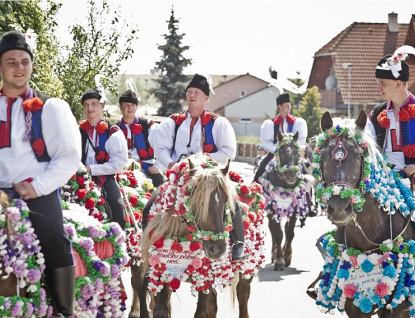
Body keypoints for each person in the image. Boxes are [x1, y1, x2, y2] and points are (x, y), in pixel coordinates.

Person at [0, 31, 81, 318]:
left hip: (37, 192)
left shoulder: (49, 107)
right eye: (11, 62)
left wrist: (38, 187)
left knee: (52, 238)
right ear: (0, 68)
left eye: (24, 61)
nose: (19, 67)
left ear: (32, 66)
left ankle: (64, 310)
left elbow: (69, 157)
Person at [151, 74, 245, 260]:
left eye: (197, 92)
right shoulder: (173, 122)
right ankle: (148, 246)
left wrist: (203, 161)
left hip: (210, 177)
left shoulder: (218, 123)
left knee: (231, 200)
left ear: (206, 97)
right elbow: (160, 148)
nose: (192, 95)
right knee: (154, 201)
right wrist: (172, 164)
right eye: (189, 92)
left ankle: (238, 243)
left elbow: (228, 152)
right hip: (179, 176)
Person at [79, 88, 128, 229]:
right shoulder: (78, 131)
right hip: (79, 177)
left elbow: (118, 164)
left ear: (102, 106)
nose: (90, 108)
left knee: (117, 209)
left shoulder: (113, 132)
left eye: (94, 104)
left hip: (104, 177)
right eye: (86, 104)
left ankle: (121, 239)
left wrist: (91, 169)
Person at [366, 46, 415, 179]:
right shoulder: (377, 113)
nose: (378, 87)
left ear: (398, 84)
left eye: (383, 83)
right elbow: (366, 148)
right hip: (384, 185)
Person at [253, 92, 308, 183]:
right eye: (286, 105)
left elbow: (301, 140)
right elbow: (267, 142)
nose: (289, 108)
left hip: (292, 155)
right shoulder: (270, 123)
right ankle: (254, 191)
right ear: (280, 107)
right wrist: (277, 150)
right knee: (259, 174)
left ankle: (308, 194)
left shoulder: (297, 122)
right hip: (274, 154)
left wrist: (290, 150)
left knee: (306, 176)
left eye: (290, 105)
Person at [117, 89, 164, 187]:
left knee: (161, 183)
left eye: (132, 105)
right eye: (126, 105)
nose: (130, 108)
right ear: (120, 107)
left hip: (147, 168)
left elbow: (161, 146)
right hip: (123, 169)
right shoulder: (114, 129)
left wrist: (157, 167)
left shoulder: (148, 125)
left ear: (136, 107)